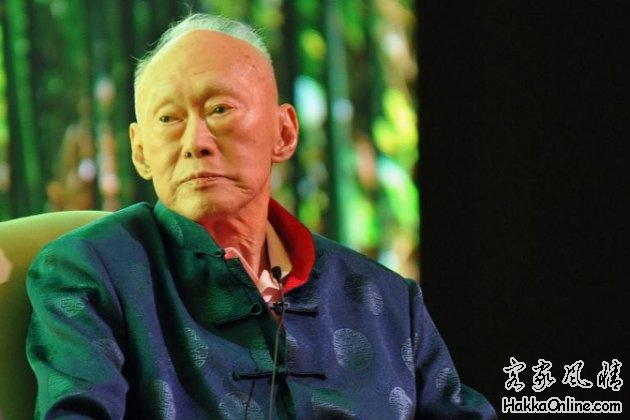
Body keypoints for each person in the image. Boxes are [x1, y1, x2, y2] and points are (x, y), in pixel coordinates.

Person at [26, 13, 496, 419]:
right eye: (168, 118)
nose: (195, 142)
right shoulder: (90, 273)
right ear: (140, 151)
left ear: (284, 132)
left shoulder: (389, 298)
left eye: (220, 109)